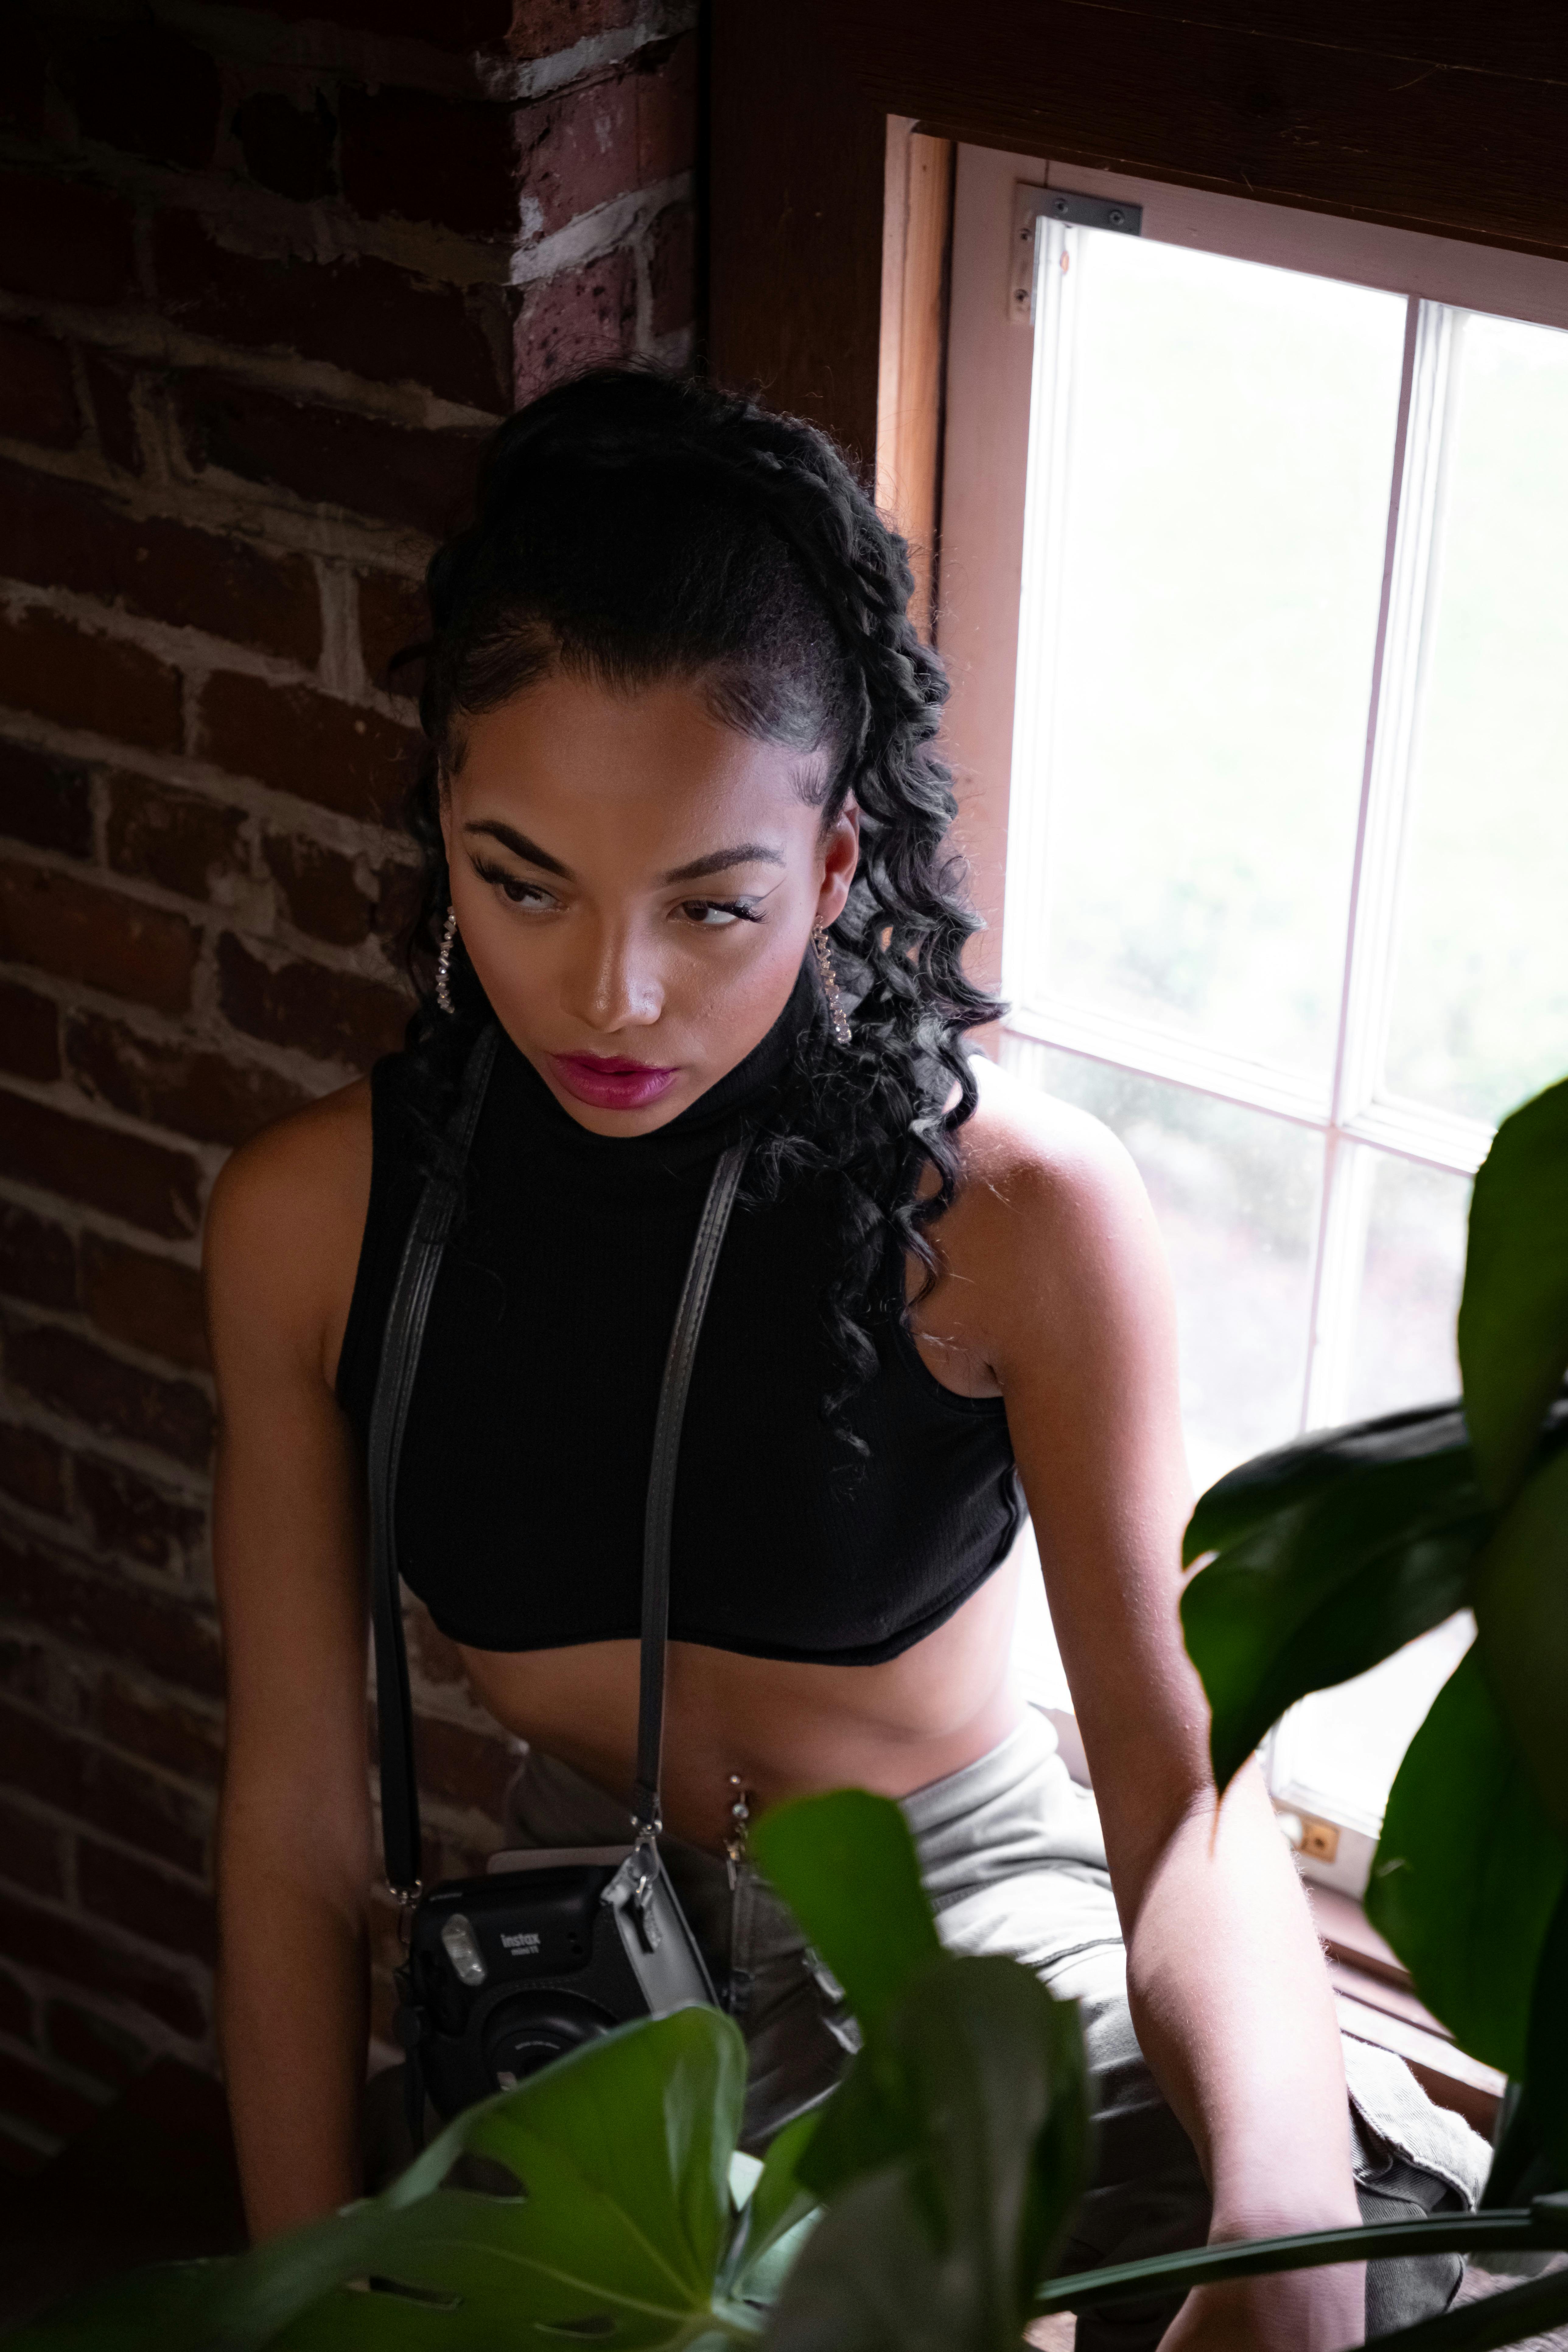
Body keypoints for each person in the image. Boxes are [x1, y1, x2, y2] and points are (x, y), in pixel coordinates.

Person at [205, 364, 1486, 2348]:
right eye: (520, 880)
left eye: (713, 905)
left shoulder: (1016, 1218)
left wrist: (1275, 2217)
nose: (612, 993)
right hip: (589, 1975)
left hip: (973, 1930)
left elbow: (1183, 1803)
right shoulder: (310, 1228)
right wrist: (288, 2303)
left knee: (1371, 2283)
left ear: (832, 870)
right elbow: (299, 1839)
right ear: (440, 826)